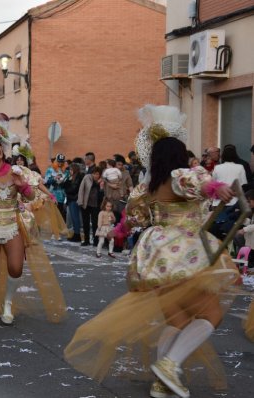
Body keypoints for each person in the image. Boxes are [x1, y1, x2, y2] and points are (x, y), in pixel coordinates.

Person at [65, 105, 240, 398]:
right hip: (184, 251)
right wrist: (215, 187)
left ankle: (162, 381)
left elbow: (134, 219)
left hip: (155, 253)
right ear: (179, 155)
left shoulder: (148, 187)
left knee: (178, 319)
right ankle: (170, 365)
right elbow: (195, 181)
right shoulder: (184, 175)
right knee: (211, 312)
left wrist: (122, 228)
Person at [0, 115, 66, 326]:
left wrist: (22, 185)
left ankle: (8, 304)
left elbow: (30, 197)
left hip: (12, 222)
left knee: (16, 268)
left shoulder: (17, 171)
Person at [78, 166, 102, 246]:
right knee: (86, 223)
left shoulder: (101, 181)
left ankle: (96, 241)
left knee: (95, 223)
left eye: (97, 174)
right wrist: (80, 201)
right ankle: (86, 240)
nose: (96, 175)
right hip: (86, 203)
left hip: (96, 205)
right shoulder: (87, 178)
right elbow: (81, 189)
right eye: (94, 174)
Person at [63, 163, 83, 242]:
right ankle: (76, 234)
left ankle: (77, 235)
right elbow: (65, 186)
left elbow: (73, 189)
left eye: (71, 170)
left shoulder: (78, 178)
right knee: (74, 218)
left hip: (74, 199)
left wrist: (67, 189)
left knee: (75, 218)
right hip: (71, 199)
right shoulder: (72, 177)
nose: (70, 171)